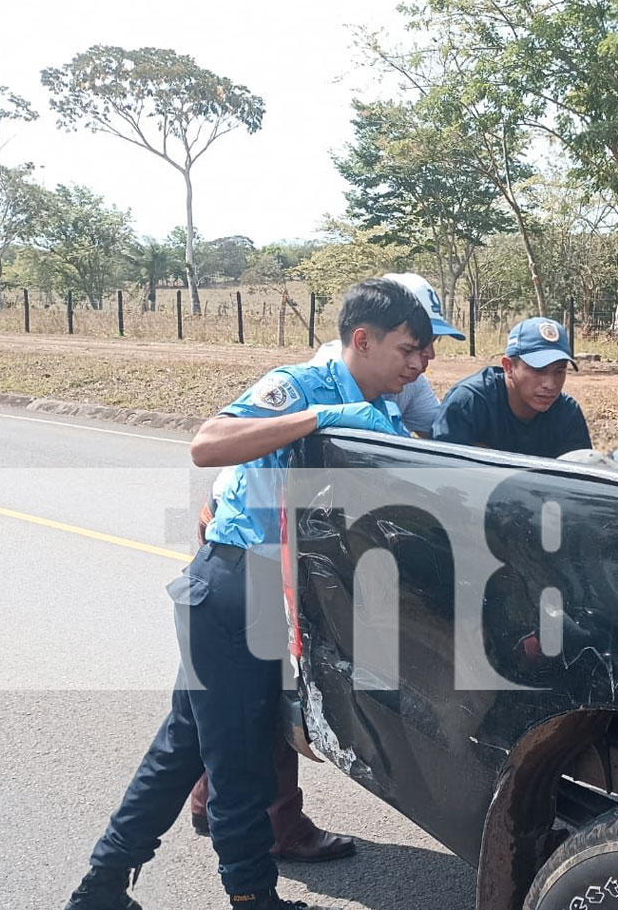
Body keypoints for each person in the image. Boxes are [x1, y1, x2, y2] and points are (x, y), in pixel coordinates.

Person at [64, 279, 432, 910]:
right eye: (407, 350)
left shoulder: (387, 411)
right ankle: (252, 897)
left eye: (425, 354)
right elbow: (208, 444)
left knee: (181, 749)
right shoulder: (302, 387)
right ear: (362, 341)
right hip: (237, 585)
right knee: (238, 760)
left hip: (282, 589)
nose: (419, 365)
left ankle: (101, 886)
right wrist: (316, 420)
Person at [309, 271, 465, 434]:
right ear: (364, 341)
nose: (429, 355)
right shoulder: (318, 384)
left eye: (432, 340)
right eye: (414, 344)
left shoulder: (410, 382)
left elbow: (439, 440)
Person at [431, 316, 591, 458]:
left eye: (559, 371)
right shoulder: (469, 404)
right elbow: (442, 473)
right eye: (538, 370)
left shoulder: (567, 413)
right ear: (508, 367)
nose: (550, 384)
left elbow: (580, 482)